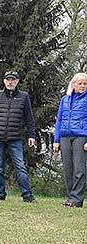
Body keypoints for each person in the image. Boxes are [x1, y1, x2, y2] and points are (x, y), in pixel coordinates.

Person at [0, 71, 37, 203]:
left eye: (13, 80)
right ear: (4, 81)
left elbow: (29, 118)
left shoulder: (24, 97)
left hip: (15, 138)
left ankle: (27, 195)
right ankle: (0, 194)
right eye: (8, 79)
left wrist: (31, 135)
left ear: (17, 81)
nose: (10, 82)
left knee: (20, 167)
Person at [53, 72, 87, 208]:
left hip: (81, 136)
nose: (83, 86)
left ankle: (77, 200)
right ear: (73, 84)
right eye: (80, 83)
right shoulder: (64, 99)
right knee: (67, 169)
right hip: (65, 136)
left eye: (85, 84)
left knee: (79, 168)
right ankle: (70, 198)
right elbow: (59, 120)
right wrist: (56, 140)